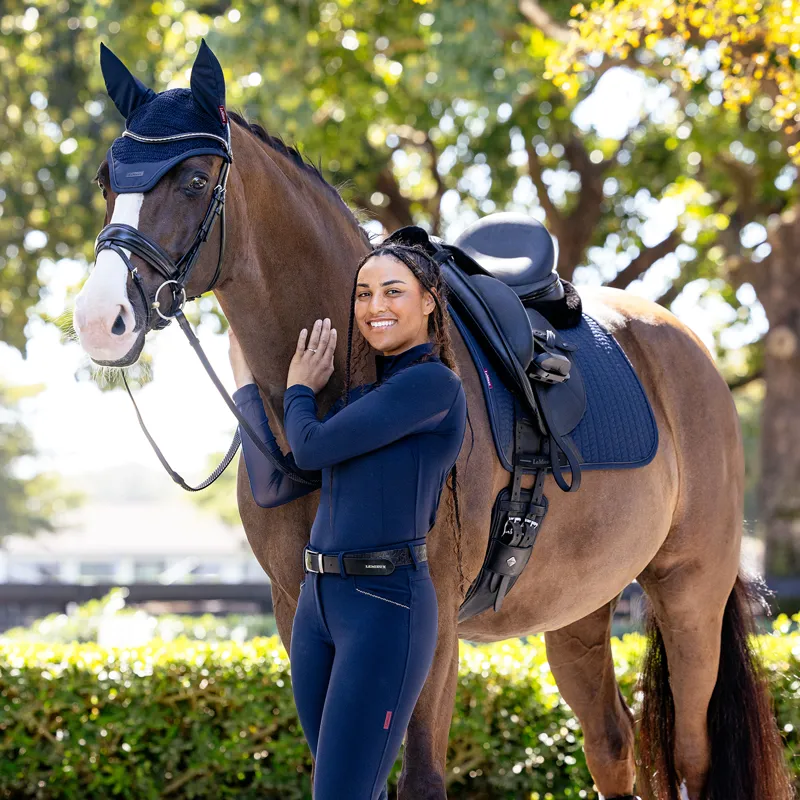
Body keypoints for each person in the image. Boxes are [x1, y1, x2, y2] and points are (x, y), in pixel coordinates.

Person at [228, 243, 467, 800]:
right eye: (363, 293)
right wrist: (245, 385)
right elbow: (273, 485)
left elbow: (309, 448)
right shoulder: (362, 397)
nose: (374, 305)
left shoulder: (432, 387)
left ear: (429, 302)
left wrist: (298, 389)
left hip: (385, 610)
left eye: (393, 291)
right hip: (317, 608)